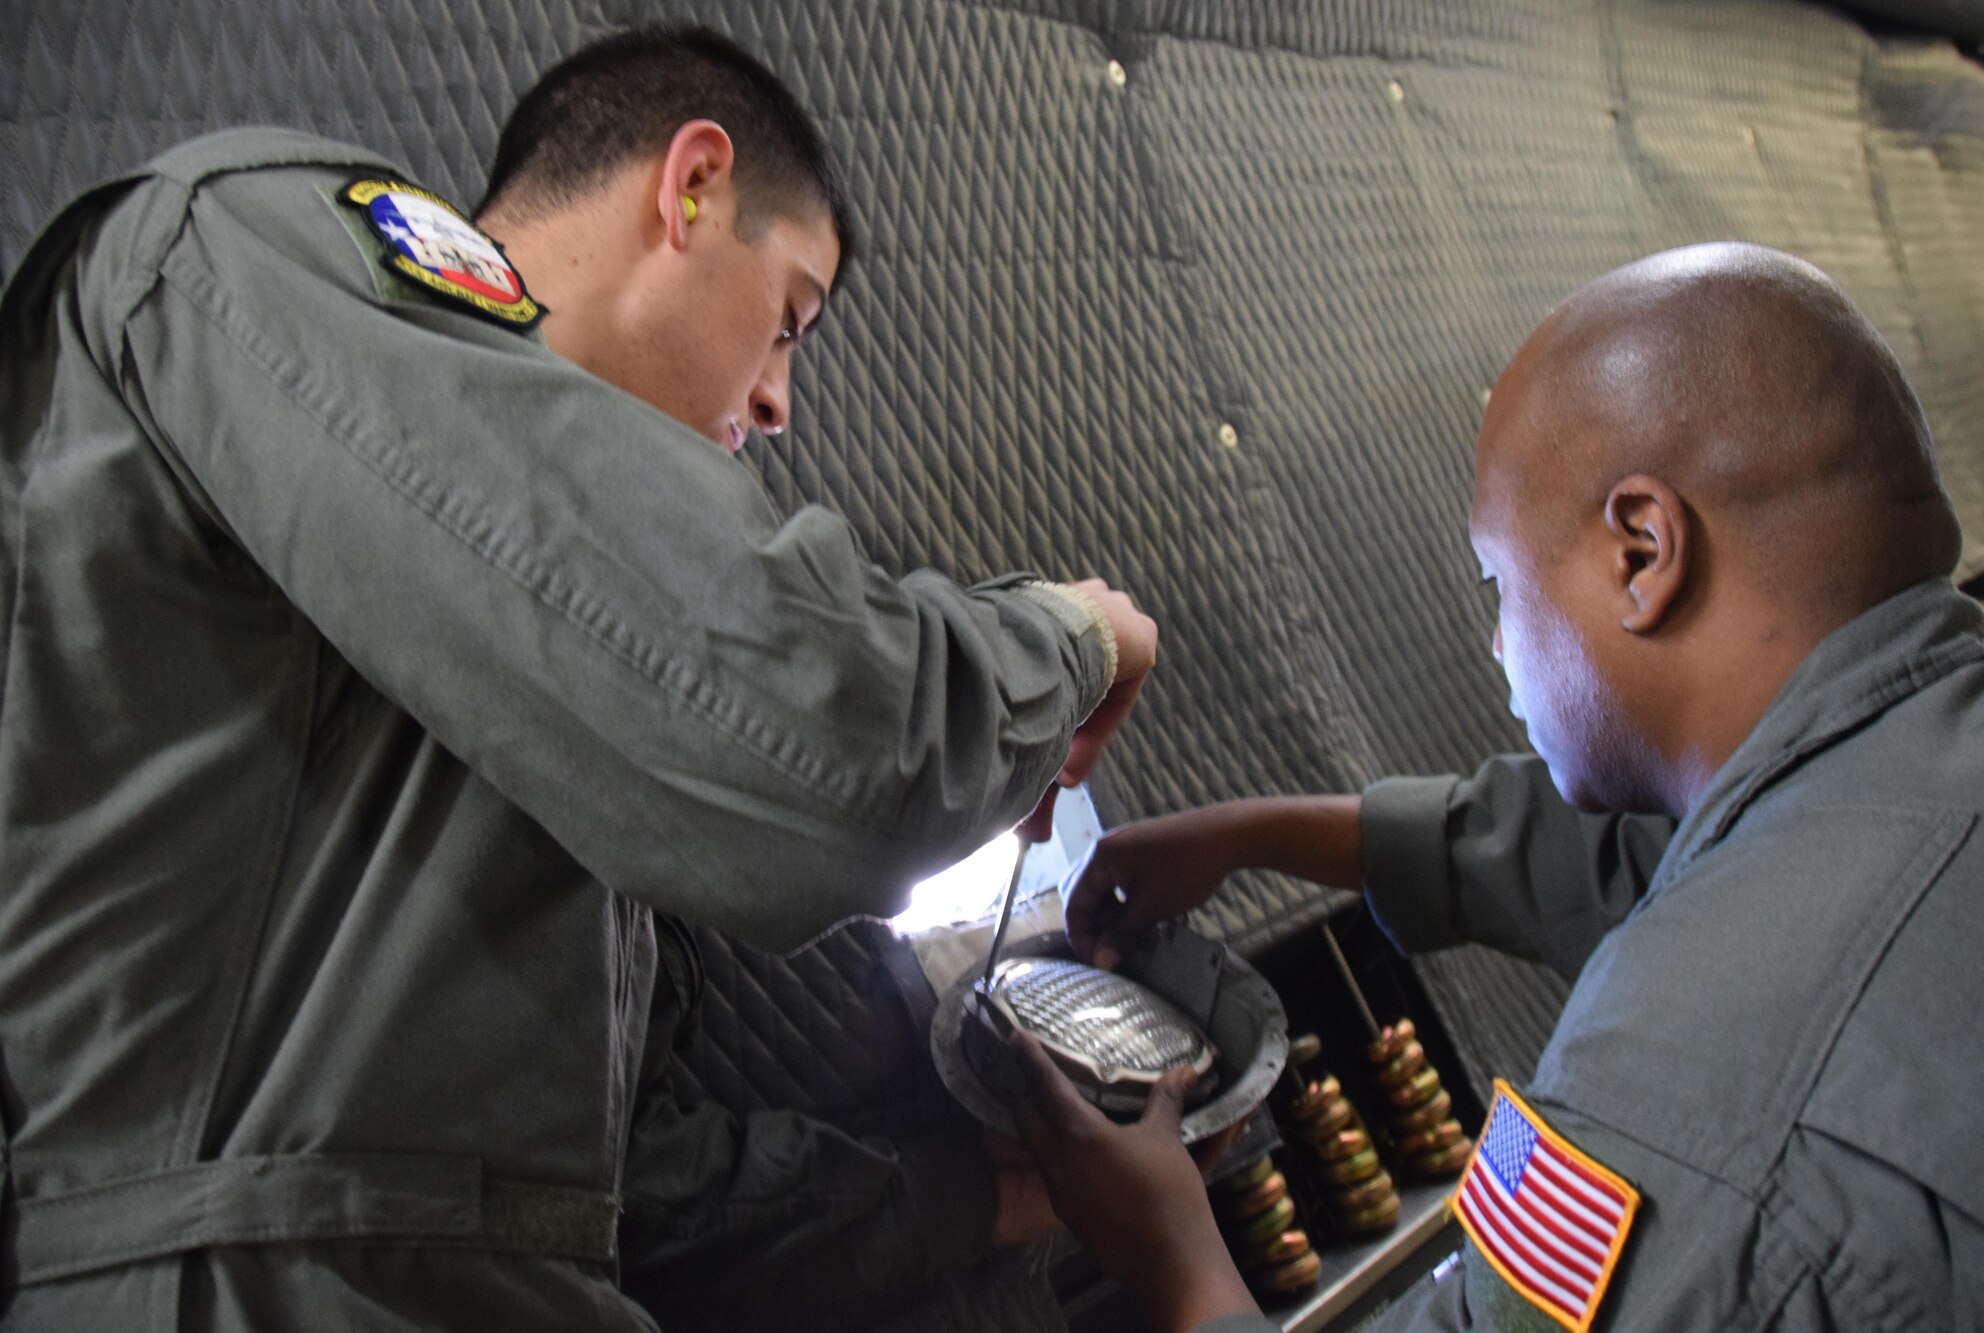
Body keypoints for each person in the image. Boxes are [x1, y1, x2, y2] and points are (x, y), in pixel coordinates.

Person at [0, 24, 1155, 1332]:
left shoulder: (554, 667)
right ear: (694, 185)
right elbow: (830, 742)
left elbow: (619, 1198)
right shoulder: (258, 249)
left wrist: (1002, 1195)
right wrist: (1070, 634)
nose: (778, 404)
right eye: (789, 319)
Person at [1015, 242, 1984, 1331]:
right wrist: (1255, 832)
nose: (1495, 643)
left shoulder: (1665, 1083)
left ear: (1640, 552)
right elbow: (1666, 860)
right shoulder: (1915, 767)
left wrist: (1169, 1254)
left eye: (1499, 583)